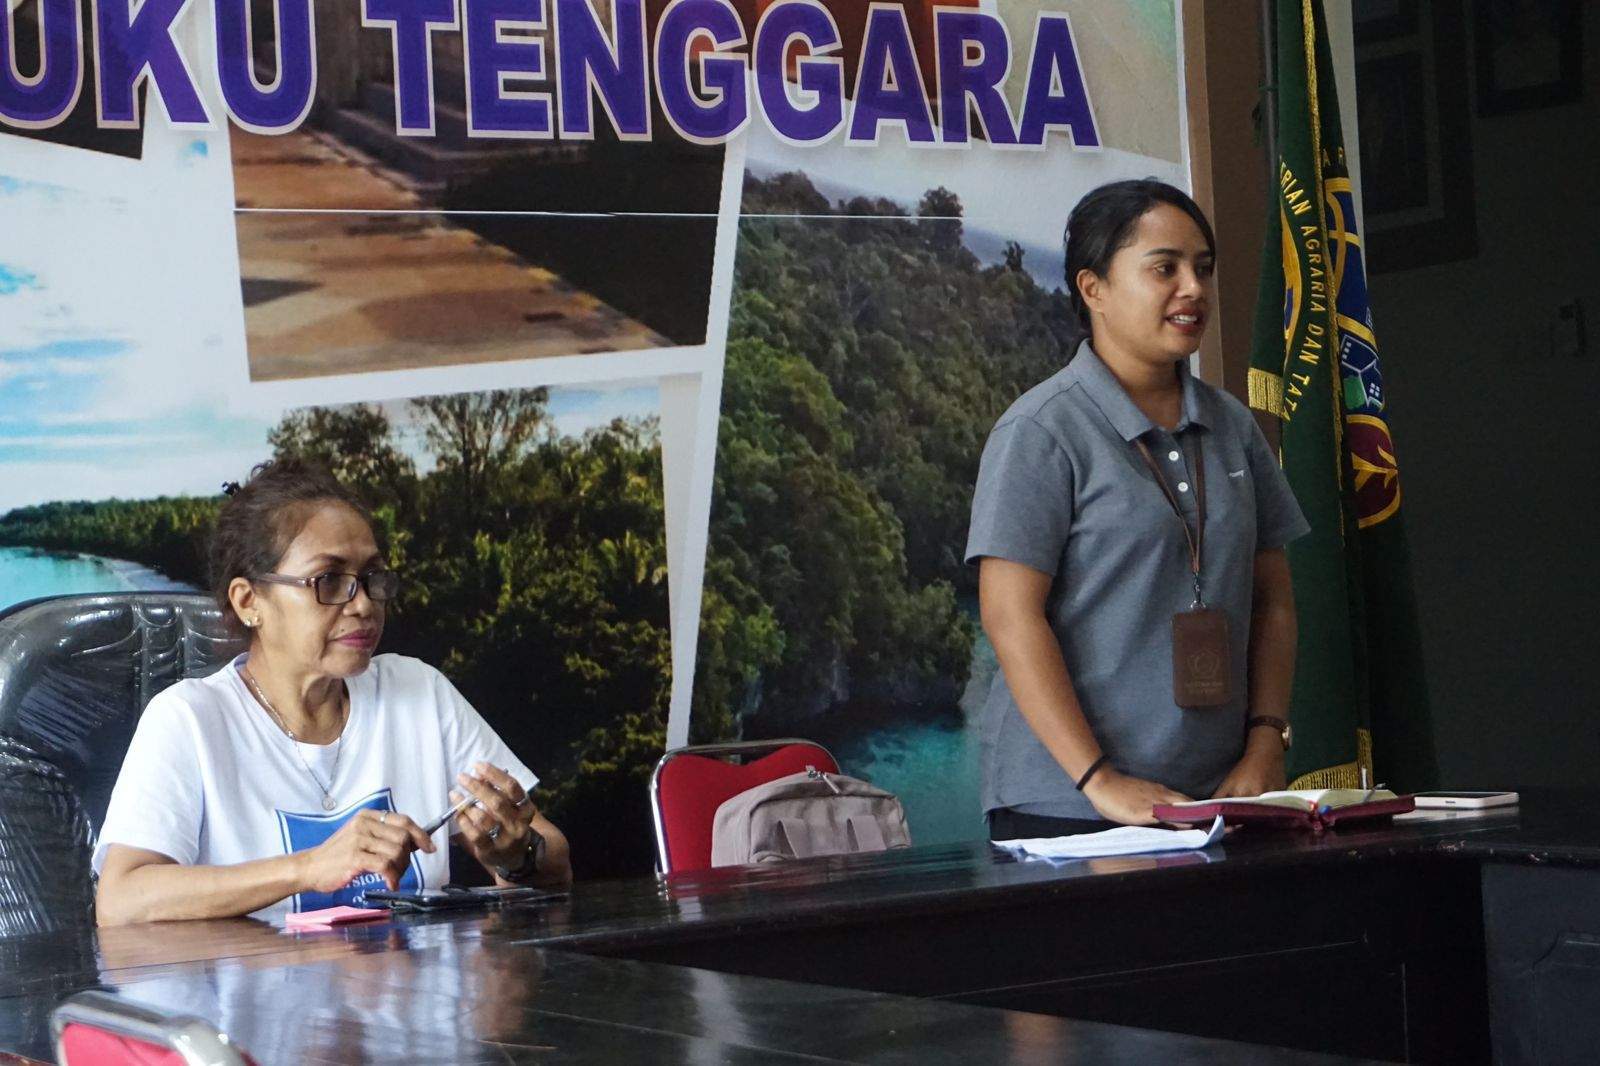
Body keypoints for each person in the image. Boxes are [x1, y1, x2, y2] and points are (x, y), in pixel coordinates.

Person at [966, 179, 1310, 840]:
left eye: (1202, 269)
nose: (1194, 289)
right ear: (1093, 288)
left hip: (1221, 802)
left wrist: (1267, 740)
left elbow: (1275, 602)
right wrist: (1100, 781)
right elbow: (1009, 616)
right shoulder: (1041, 430)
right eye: (1165, 269)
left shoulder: (1233, 425)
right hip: (1068, 809)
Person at [94, 459, 571, 924]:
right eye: (329, 580)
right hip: (260, 1001)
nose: (363, 603)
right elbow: (121, 899)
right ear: (249, 602)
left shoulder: (418, 691)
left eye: (371, 578)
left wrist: (517, 853)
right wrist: (308, 868)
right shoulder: (189, 719)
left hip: (419, 997)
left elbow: (553, 863)